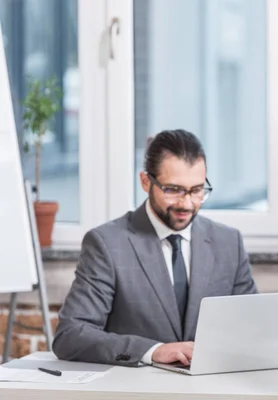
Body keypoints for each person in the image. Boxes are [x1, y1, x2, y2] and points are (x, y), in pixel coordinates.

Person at [53, 129, 257, 366]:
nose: (187, 203)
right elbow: (70, 335)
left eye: (197, 190)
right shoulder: (107, 243)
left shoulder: (228, 242)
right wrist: (153, 351)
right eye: (173, 190)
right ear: (145, 182)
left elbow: (251, 327)